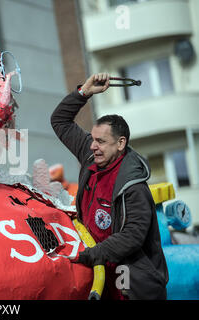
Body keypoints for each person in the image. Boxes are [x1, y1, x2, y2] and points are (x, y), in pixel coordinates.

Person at [51, 73, 169, 300]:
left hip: (133, 289)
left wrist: (90, 255)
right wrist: (84, 91)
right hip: (99, 278)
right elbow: (59, 121)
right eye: (93, 139)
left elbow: (132, 236)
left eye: (101, 141)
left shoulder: (134, 187)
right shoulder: (91, 154)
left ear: (121, 143)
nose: (93, 146)